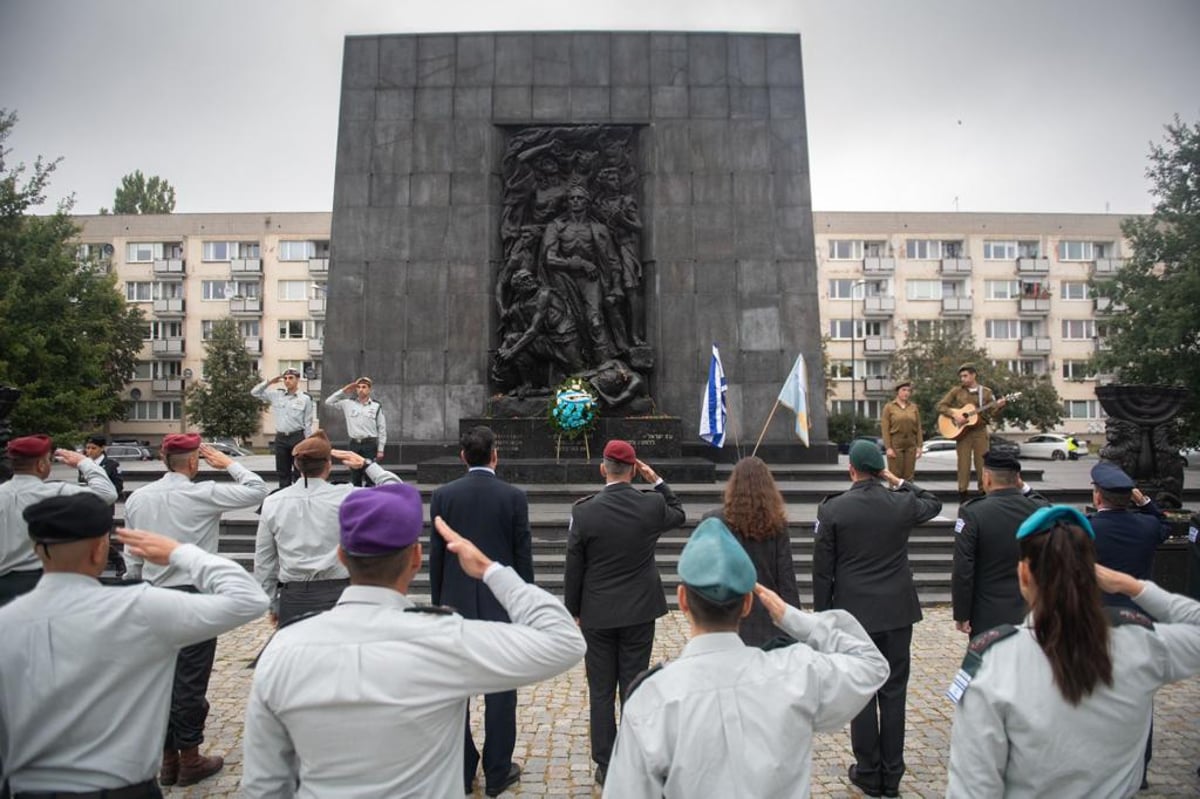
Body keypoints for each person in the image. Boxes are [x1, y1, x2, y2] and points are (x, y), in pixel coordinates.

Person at [240, 484, 586, 797]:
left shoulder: (283, 650)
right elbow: (564, 640)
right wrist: (490, 570)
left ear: (342, 556)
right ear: (417, 559)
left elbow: (264, 786)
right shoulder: (445, 640)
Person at [0, 494, 268, 796]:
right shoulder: (139, 608)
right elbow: (250, 599)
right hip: (123, 787)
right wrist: (182, 553)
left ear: (37, 550)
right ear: (100, 549)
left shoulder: (6, 624)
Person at [602, 518, 889, 798]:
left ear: (683, 600)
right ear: (748, 604)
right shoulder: (797, 672)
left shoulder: (652, 699)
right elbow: (871, 663)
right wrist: (793, 617)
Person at [946, 506, 1200, 797]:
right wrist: (1132, 587)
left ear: (1024, 574)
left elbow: (972, 789)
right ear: (1094, 573)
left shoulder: (993, 663)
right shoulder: (1141, 646)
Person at [123, 433, 269, 787]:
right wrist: (228, 463)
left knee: (158, 679)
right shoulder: (202, 493)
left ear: (162, 458)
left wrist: (135, 582)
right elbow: (257, 490)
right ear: (193, 462)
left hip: (153, 595)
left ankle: (166, 760)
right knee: (190, 679)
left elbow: (133, 550)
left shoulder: (139, 498)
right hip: (194, 597)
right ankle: (189, 758)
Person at [813, 439, 942, 798]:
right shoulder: (901, 503)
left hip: (855, 616)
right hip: (898, 612)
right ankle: (892, 773)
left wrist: (824, 620)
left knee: (863, 692)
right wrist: (897, 479)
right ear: (879, 470)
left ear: (851, 469)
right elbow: (934, 502)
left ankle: (869, 772)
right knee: (894, 692)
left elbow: (822, 572)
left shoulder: (833, 510)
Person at [563, 439, 686, 786]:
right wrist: (657, 480)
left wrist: (573, 610)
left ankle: (605, 763)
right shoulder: (650, 506)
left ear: (603, 469)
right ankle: (634, 758)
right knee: (634, 686)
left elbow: (574, 566)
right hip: (638, 611)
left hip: (597, 613)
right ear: (634, 469)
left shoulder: (584, 511)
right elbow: (679, 513)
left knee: (600, 691)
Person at [429, 425, 534, 796]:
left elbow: (438, 557)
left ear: (462, 457)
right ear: (495, 455)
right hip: (500, 606)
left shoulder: (443, 496)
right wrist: (524, 605)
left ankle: (462, 767)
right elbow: (523, 558)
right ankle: (498, 770)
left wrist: (438, 603)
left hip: (455, 605)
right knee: (502, 692)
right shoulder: (513, 497)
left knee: (456, 692)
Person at [254, 430, 402, 626]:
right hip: (340, 595)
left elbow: (264, 561)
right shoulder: (348, 497)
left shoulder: (273, 502)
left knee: (299, 655)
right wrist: (367, 465)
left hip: (294, 596)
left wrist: (271, 603)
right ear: (328, 464)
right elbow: (397, 493)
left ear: (297, 465)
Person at [0, 434, 117, 606]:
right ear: (41, 465)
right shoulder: (57, 492)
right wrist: (84, 463)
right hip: (42, 583)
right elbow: (107, 494)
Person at [701, 456, 801, 647]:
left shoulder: (714, 520)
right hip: (768, 618)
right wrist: (793, 623)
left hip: (726, 618)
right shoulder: (777, 524)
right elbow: (786, 578)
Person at [952, 451, 1050, 637]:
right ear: (1018, 479)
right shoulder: (1038, 509)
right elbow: (1046, 506)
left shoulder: (972, 512)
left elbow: (963, 567)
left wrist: (962, 613)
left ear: (987, 478)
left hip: (988, 613)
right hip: (1032, 609)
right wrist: (1024, 488)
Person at [1088, 461, 1173, 615]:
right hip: (1141, 612)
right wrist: (1144, 502)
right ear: (1131, 497)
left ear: (1098, 498)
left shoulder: (1087, 528)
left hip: (1098, 614)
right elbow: (1165, 524)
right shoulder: (1149, 525)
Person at [937, 363, 1006, 502]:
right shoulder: (957, 391)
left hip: (980, 431)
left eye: (965, 375)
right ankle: (963, 494)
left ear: (974, 375)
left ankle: (983, 494)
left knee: (982, 464)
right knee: (963, 464)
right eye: (961, 376)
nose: (962, 379)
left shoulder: (986, 392)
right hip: (963, 433)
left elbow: (992, 413)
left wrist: (998, 407)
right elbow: (941, 406)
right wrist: (954, 415)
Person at [251, 368, 316, 488]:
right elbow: (254, 393)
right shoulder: (277, 395)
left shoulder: (305, 399)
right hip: (281, 438)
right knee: (282, 471)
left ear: (297, 380)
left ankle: (298, 495)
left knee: (298, 470)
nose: (287, 381)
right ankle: (283, 494)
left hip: (297, 437)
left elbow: (307, 423)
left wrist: (307, 442)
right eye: (285, 378)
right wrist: (269, 382)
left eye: (291, 378)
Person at [323, 376, 386, 486]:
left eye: (364, 387)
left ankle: (369, 500)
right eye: (358, 387)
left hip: (369, 444)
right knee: (355, 475)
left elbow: (382, 428)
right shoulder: (348, 403)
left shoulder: (376, 406)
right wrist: (344, 390)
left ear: (369, 389)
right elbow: (328, 401)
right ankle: (357, 500)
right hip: (354, 444)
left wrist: (381, 449)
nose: (361, 389)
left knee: (370, 476)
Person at [84, 434, 126, 576]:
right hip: (87, 506)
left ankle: (118, 561)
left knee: (102, 540)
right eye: (87, 448)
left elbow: (118, 486)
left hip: (104, 507)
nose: (89, 451)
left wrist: (106, 495)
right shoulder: (84, 465)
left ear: (102, 448)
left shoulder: (111, 465)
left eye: (93, 448)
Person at [880, 381, 923, 481]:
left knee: (909, 475)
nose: (906, 393)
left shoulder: (914, 407)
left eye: (909, 390)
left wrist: (919, 446)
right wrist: (888, 448)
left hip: (911, 444)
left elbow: (918, 427)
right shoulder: (889, 407)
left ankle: (907, 496)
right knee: (895, 474)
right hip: (896, 444)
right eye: (903, 390)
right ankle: (895, 496)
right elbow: (885, 429)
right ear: (897, 392)